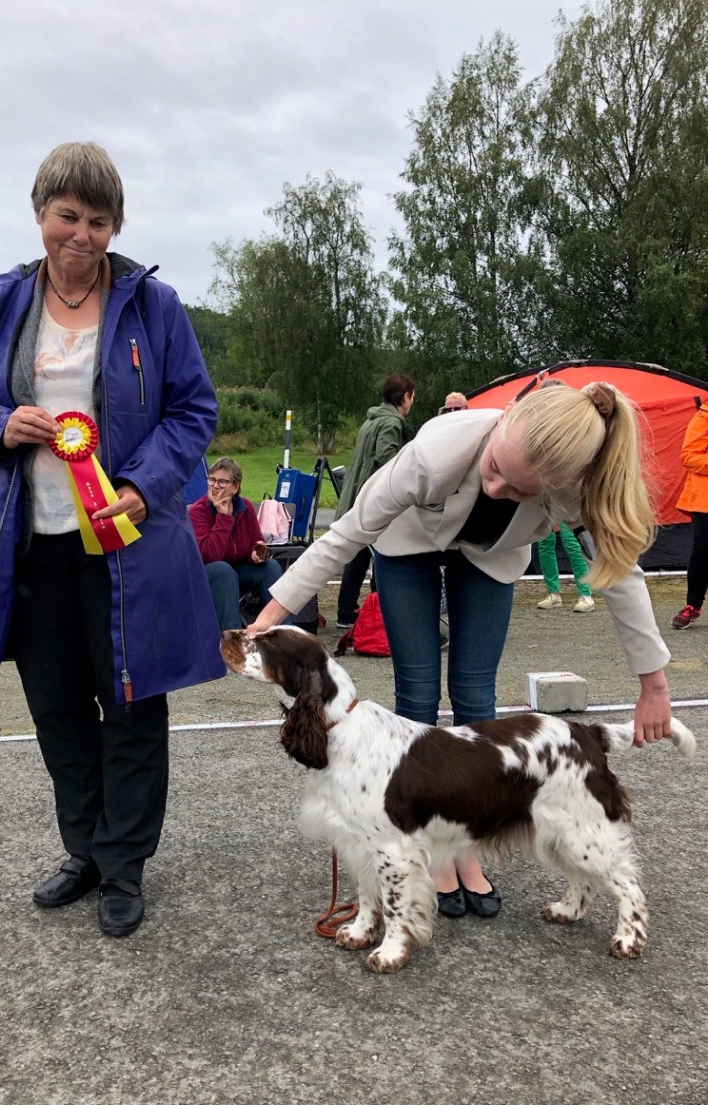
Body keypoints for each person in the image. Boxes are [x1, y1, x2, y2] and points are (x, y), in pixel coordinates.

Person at [0, 141, 224, 939]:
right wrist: (1, 425)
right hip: (30, 545)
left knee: (131, 704)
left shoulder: (152, 306)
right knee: (58, 708)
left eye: (99, 221)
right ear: (40, 214)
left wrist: (141, 484)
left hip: (126, 540)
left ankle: (124, 863)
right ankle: (86, 849)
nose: (82, 235)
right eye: (68, 216)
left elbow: (193, 410)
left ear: (114, 227)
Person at [247, 381, 673, 920]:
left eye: (518, 490)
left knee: (475, 692)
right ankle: (429, 846)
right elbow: (345, 535)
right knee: (417, 690)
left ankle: (465, 845)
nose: (494, 487)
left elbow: (621, 571)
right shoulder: (435, 451)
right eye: (494, 467)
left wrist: (654, 683)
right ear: (506, 415)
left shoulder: (578, 486)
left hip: (492, 558)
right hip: (408, 543)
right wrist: (270, 617)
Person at [334, 374, 415, 628]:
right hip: (375, 500)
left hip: (358, 495)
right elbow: (386, 456)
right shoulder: (392, 422)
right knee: (382, 555)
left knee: (359, 555)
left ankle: (346, 612)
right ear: (405, 397)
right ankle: (382, 613)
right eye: (412, 396)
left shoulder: (372, 419)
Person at [189, 457, 283, 630]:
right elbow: (209, 555)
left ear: (235, 486)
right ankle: (232, 639)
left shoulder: (245, 507)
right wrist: (223, 517)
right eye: (212, 480)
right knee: (223, 570)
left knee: (271, 566)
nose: (215, 486)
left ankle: (280, 633)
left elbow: (256, 540)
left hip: (237, 571)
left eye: (222, 482)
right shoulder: (198, 511)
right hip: (205, 575)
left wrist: (256, 553)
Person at [671, 402, 708, 630]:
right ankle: (693, 605)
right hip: (705, 501)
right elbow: (688, 456)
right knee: (703, 550)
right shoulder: (704, 415)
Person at [536, 522, 595, 612]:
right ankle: (553, 593)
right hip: (545, 513)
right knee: (544, 543)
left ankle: (586, 595)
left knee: (571, 542)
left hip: (566, 513)